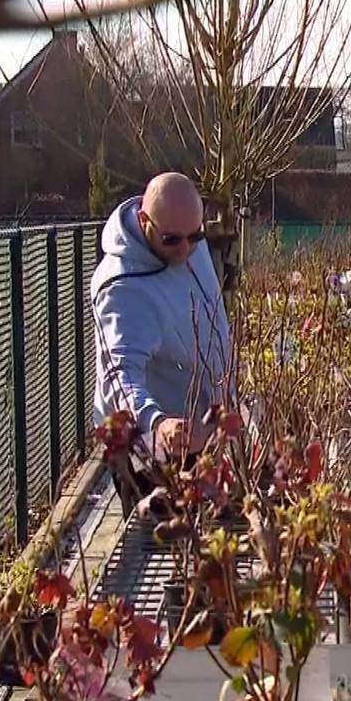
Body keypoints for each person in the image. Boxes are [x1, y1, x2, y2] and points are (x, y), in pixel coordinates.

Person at [90, 172, 232, 495]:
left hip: (203, 434)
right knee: (161, 525)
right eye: (172, 240)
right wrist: (157, 422)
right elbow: (120, 375)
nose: (186, 249)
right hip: (154, 449)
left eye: (195, 236)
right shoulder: (121, 288)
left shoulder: (189, 243)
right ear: (144, 221)